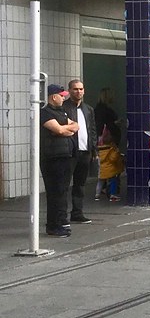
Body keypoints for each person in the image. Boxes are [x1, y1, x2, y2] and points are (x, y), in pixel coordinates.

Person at [41, 84, 79, 237]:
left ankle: (62, 220)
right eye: (61, 95)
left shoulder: (61, 112)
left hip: (65, 155)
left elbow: (75, 126)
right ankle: (53, 225)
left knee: (62, 190)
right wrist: (66, 130)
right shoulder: (45, 113)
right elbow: (60, 130)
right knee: (55, 191)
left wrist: (66, 130)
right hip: (52, 157)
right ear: (53, 97)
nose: (64, 98)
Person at [63, 78, 96, 224]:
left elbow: (92, 130)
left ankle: (77, 212)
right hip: (69, 152)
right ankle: (61, 215)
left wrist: (93, 149)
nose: (79, 92)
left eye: (81, 89)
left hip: (85, 151)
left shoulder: (88, 109)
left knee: (80, 184)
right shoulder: (64, 108)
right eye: (76, 89)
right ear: (70, 91)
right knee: (64, 184)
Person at [96, 127, 125, 201]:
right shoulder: (111, 149)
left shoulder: (101, 149)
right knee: (113, 181)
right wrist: (118, 153)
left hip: (102, 169)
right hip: (111, 168)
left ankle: (97, 194)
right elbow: (113, 159)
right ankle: (112, 195)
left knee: (100, 181)